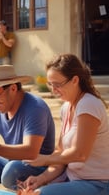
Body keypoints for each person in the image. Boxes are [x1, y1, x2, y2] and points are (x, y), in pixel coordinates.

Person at [20, 54, 109, 195]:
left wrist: (44, 160)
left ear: (75, 80)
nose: (53, 90)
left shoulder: (89, 104)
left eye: (58, 84)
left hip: (98, 184)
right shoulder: (66, 107)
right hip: (72, 178)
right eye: (50, 84)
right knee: (20, 179)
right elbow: (60, 153)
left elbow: (80, 154)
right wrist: (41, 178)